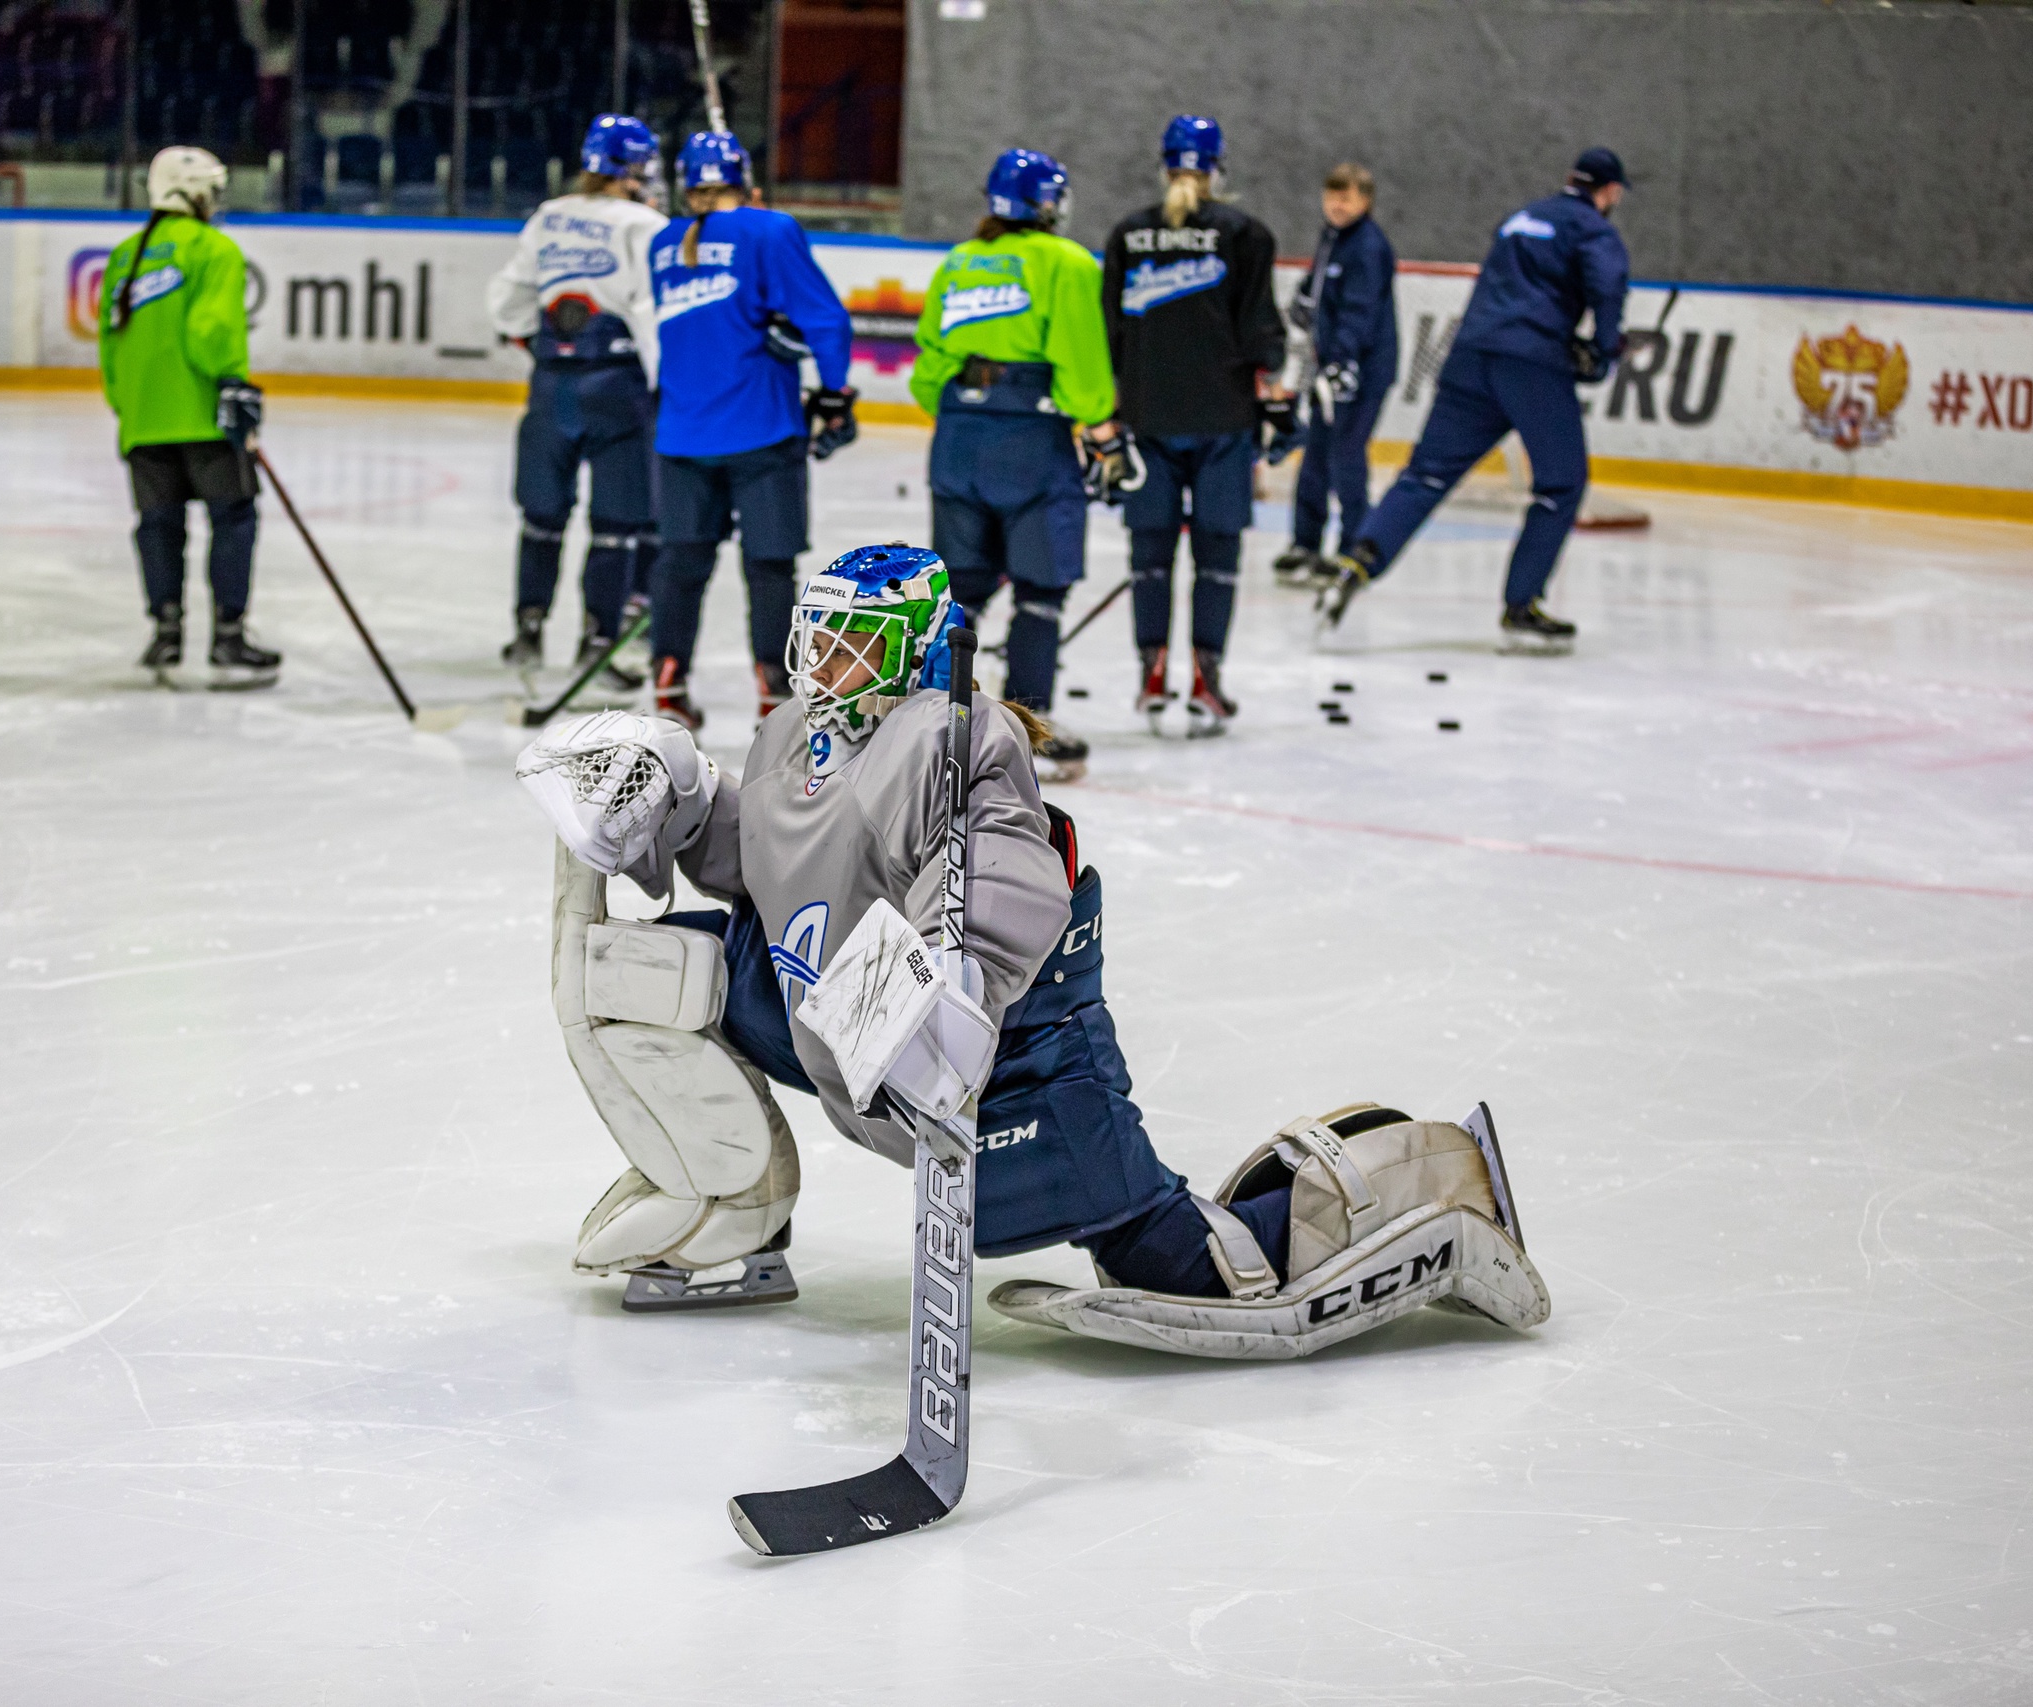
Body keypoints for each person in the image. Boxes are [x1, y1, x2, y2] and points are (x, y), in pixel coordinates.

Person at [510, 542, 1551, 1359]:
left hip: (1009, 1067)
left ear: (916, 646)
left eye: (854, 642)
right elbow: (779, 860)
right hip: (832, 1025)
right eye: (816, 637)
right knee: (656, 975)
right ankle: (730, 1218)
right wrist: (685, 806)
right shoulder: (794, 731)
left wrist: (953, 981)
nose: (825, 662)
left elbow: (1009, 871)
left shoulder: (954, 739)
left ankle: (1429, 1188)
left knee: (1184, 1263)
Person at [1318, 147, 1632, 654]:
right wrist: (1603, 349)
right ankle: (1522, 605)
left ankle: (1357, 561)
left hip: (1470, 353)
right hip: (1531, 363)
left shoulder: (1523, 217)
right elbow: (1608, 283)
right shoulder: (1591, 229)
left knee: (1426, 474)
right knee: (1561, 483)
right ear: (1610, 192)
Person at [910, 147, 1117, 779]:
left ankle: (936, 724)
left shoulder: (961, 262)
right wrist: (1101, 425)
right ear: (1051, 205)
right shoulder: (1067, 262)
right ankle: (1030, 732)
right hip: (1034, 442)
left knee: (962, 590)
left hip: (959, 440)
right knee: (1040, 590)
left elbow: (927, 373)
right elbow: (1080, 367)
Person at [642, 130, 858, 730]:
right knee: (768, 567)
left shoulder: (663, 242)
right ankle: (772, 690)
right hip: (761, 431)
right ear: (745, 179)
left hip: (682, 434)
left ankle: (667, 679)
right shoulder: (770, 229)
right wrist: (836, 394)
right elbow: (826, 320)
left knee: (680, 563)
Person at [1100, 115, 1287, 737]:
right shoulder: (1245, 233)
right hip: (1223, 420)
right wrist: (1279, 396)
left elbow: (1110, 334)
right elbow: (1262, 330)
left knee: (1150, 555)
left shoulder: (1129, 233)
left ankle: (1151, 675)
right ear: (1217, 169)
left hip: (1147, 416)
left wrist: (1107, 416)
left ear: (1166, 167)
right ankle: (1207, 681)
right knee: (1217, 557)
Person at [484, 113, 667, 686]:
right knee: (616, 524)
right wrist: (666, 386)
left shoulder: (549, 215)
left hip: (551, 385)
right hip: (618, 388)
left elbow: (509, 303)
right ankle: (597, 642)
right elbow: (650, 313)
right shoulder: (645, 224)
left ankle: (528, 633)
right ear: (635, 168)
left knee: (541, 515)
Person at [98, 145, 279, 687]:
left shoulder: (125, 256)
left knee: (158, 526)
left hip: (144, 419)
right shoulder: (214, 250)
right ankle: (227, 639)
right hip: (203, 416)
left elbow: (110, 346)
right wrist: (232, 382)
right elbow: (211, 330)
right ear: (194, 191)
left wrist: (127, 405)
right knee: (234, 516)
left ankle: (166, 633)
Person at [1273, 161, 1398, 592]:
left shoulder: (1368, 247)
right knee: (1315, 455)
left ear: (1365, 201)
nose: (1337, 205)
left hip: (1361, 372)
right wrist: (1305, 297)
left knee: (1346, 456)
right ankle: (1304, 542)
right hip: (1331, 367)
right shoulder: (1333, 239)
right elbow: (1322, 287)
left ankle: (1352, 547)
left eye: (1346, 197)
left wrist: (1344, 361)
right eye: (1331, 196)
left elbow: (1360, 311)